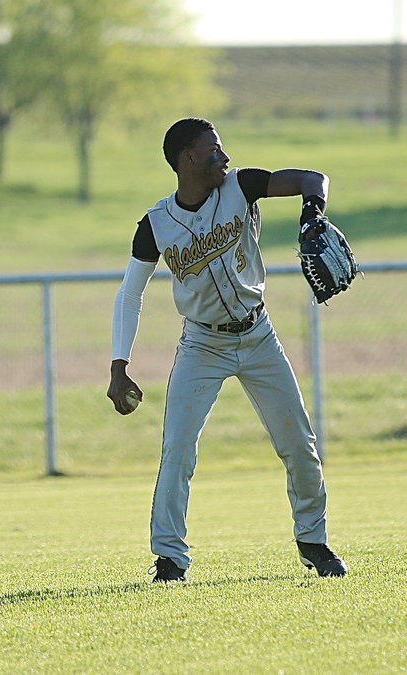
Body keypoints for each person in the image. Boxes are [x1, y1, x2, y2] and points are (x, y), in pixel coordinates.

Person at [107, 117, 348, 583]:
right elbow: (129, 293)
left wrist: (314, 210)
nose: (225, 156)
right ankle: (170, 559)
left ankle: (314, 543)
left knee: (299, 444)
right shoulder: (157, 224)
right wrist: (119, 366)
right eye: (214, 149)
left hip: (259, 336)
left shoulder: (242, 187)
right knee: (178, 448)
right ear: (188, 158)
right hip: (202, 343)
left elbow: (311, 179)